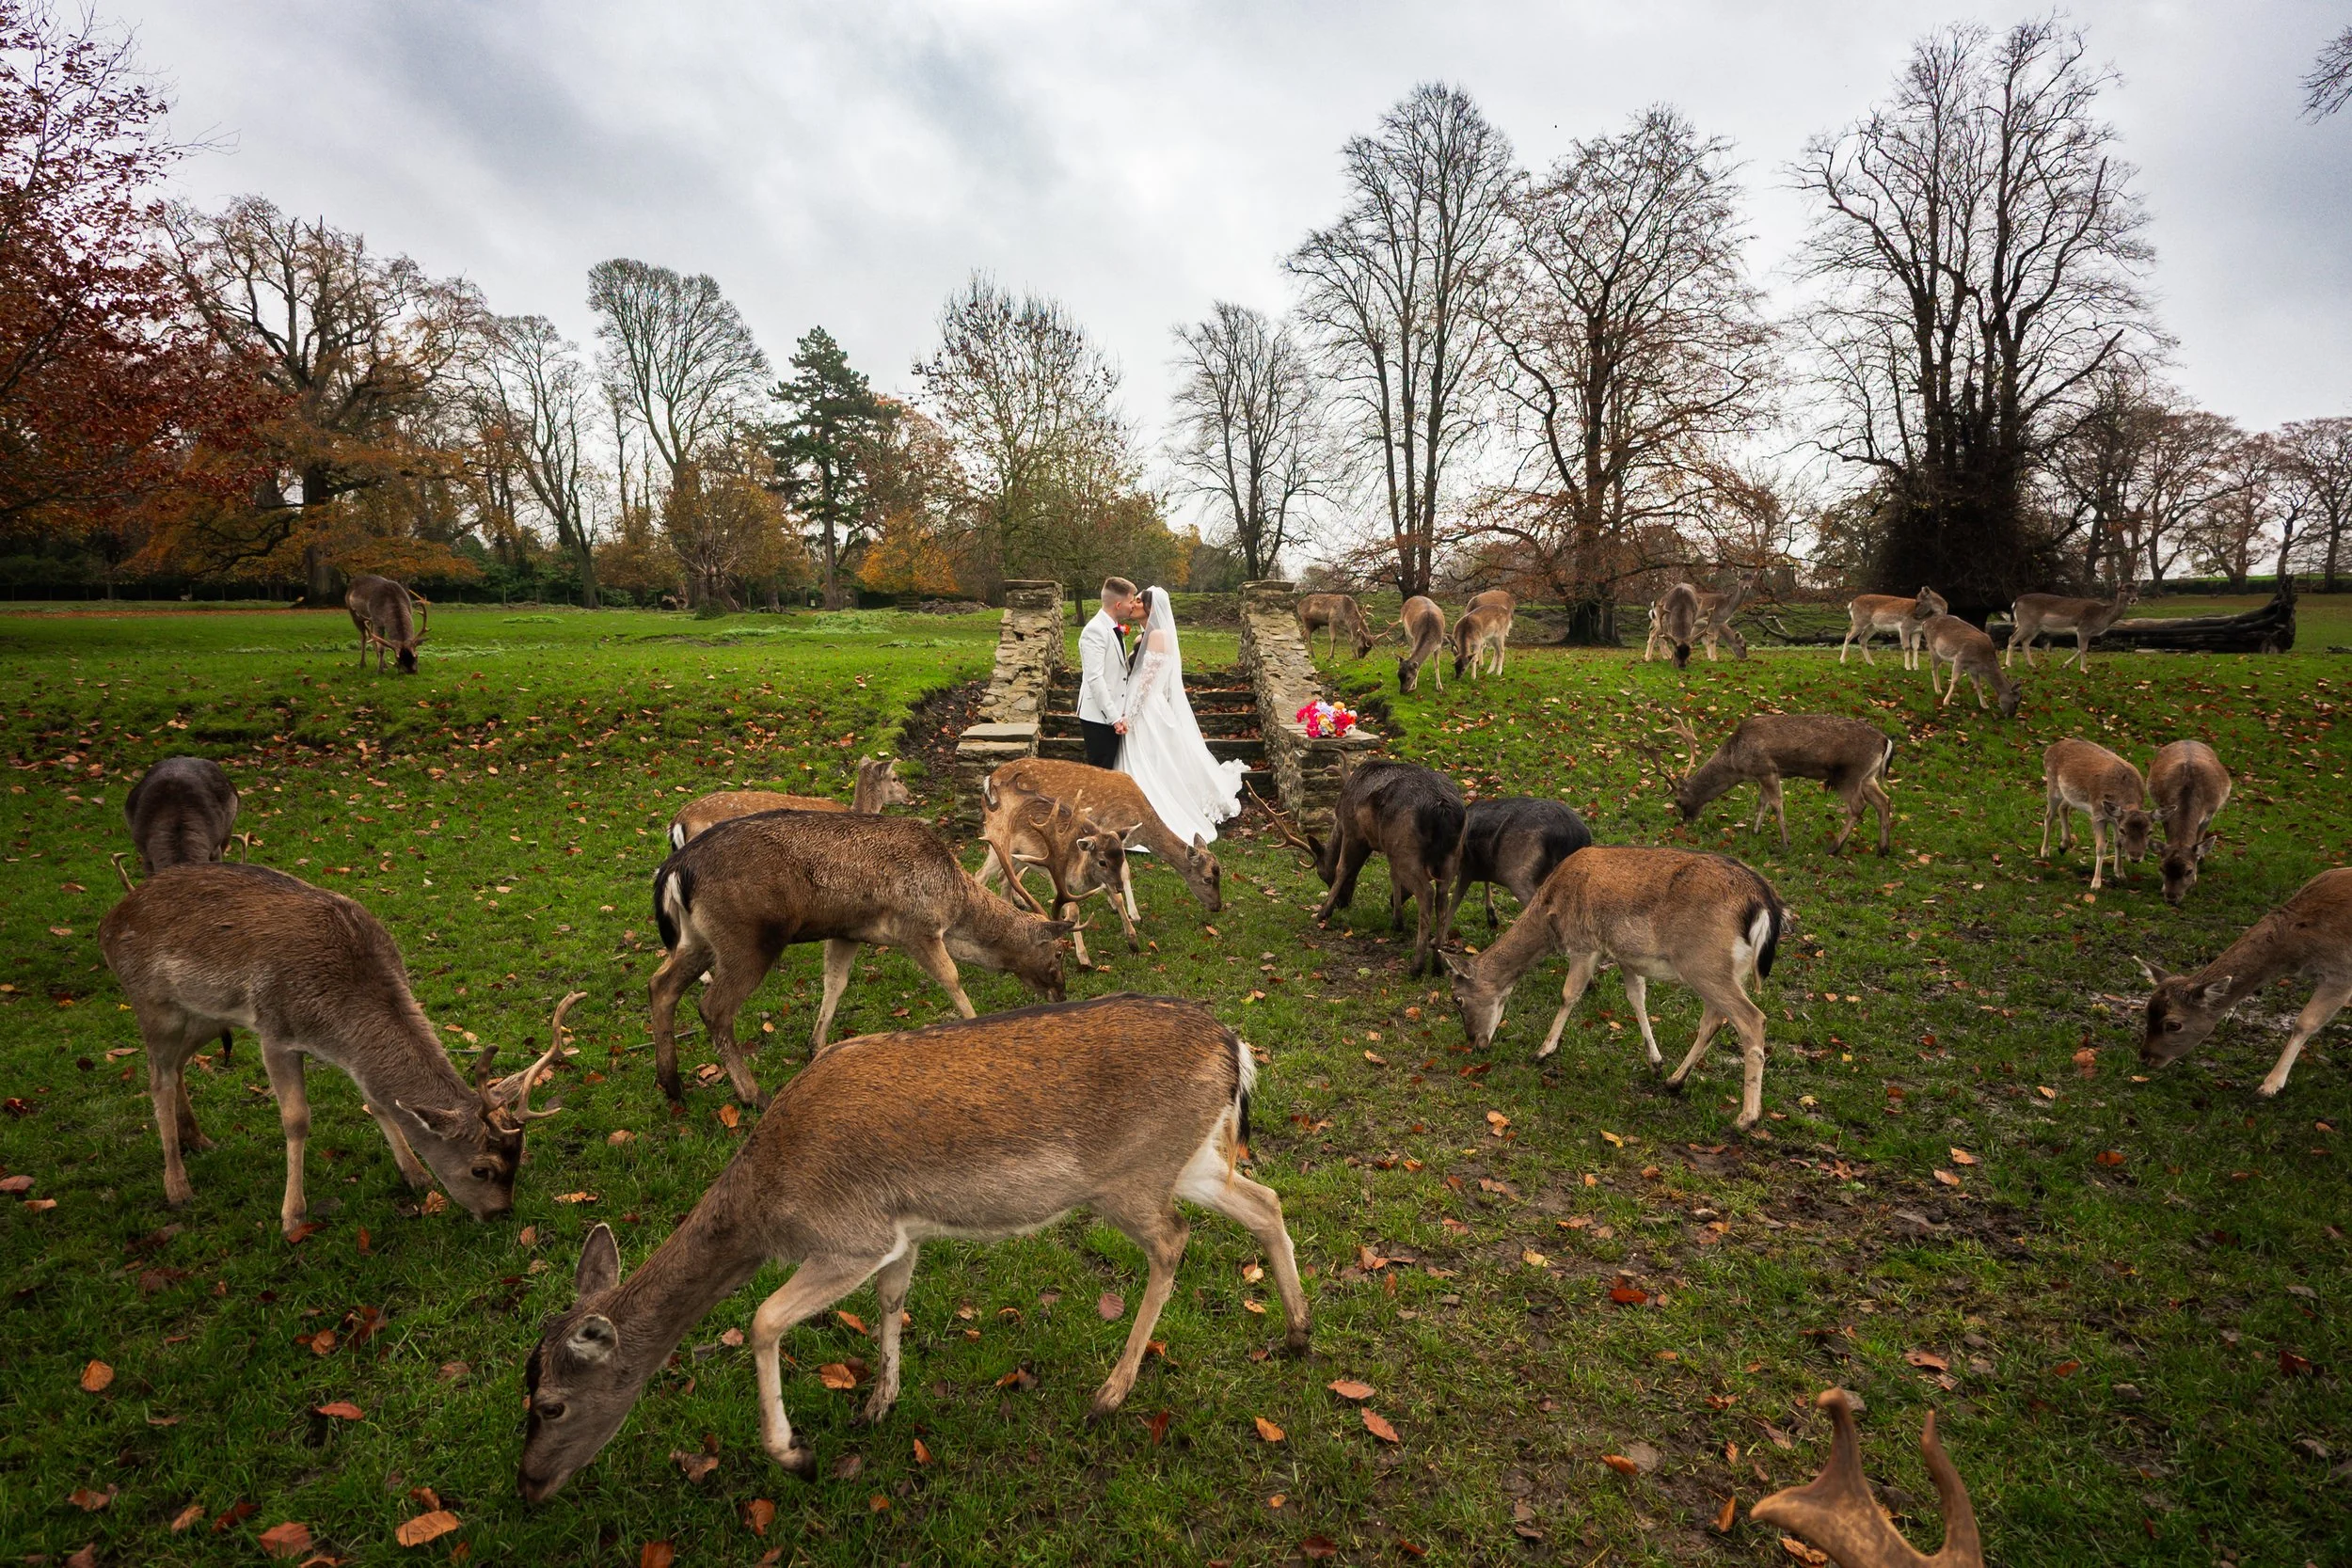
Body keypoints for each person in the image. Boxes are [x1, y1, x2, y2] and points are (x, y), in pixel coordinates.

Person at [1116, 586, 1247, 843]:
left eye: (1140, 601)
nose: (1134, 604)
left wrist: (1129, 715)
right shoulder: (1145, 636)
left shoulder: (1158, 636)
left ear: (1151, 608)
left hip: (1145, 708)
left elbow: (1147, 682)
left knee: (1152, 759)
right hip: (1140, 703)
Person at [1076, 577, 1138, 769]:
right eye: (1131, 601)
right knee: (1100, 777)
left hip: (1112, 714)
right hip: (1099, 717)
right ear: (1119, 604)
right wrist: (1114, 718)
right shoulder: (1094, 630)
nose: (1133, 605)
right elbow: (1095, 679)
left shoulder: (1112, 627)